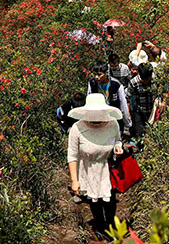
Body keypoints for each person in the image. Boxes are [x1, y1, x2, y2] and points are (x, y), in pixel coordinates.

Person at [67, 94, 123, 238]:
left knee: (110, 199)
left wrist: (118, 147)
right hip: (88, 168)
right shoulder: (77, 128)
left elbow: (118, 139)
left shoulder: (113, 124)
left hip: (107, 167)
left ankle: (111, 227)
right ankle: (99, 226)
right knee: (94, 200)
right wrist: (74, 180)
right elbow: (72, 155)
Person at [87, 62, 131, 134]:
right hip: (99, 117)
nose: (96, 77)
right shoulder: (92, 83)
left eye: (99, 74)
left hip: (113, 117)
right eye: (94, 74)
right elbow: (89, 100)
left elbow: (123, 105)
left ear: (106, 73)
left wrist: (127, 124)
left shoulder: (116, 84)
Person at [126, 64, 157, 140]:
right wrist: (128, 113)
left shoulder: (156, 80)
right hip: (139, 112)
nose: (146, 81)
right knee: (139, 135)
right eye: (144, 79)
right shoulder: (134, 82)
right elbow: (127, 98)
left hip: (153, 111)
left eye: (148, 78)